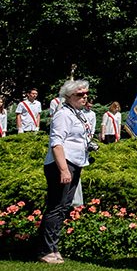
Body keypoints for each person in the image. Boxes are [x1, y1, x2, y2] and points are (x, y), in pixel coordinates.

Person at [36, 79, 94, 264]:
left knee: (63, 207)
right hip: (62, 164)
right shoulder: (63, 114)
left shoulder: (78, 114)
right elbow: (57, 143)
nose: (84, 97)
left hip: (76, 163)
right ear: (68, 96)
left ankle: (52, 247)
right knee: (56, 207)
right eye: (79, 94)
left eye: (86, 94)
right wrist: (63, 170)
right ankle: (46, 250)